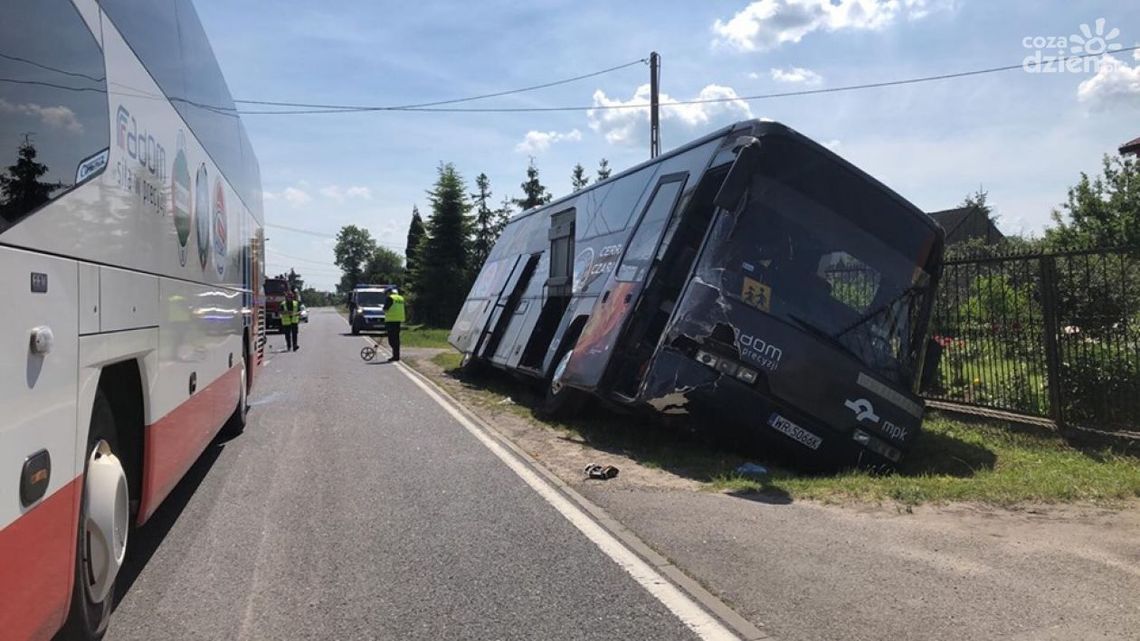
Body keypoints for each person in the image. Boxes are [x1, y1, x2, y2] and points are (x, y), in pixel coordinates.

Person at [383, 286, 405, 362]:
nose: (385, 295)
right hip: (398, 320)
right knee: (396, 339)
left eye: (386, 293)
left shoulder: (390, 298)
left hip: (391, 320)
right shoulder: (400, 298)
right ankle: (396, 356)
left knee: (391, 340)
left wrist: (383, 309)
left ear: (389, 292)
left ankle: (395, 356)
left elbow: (385, 309)